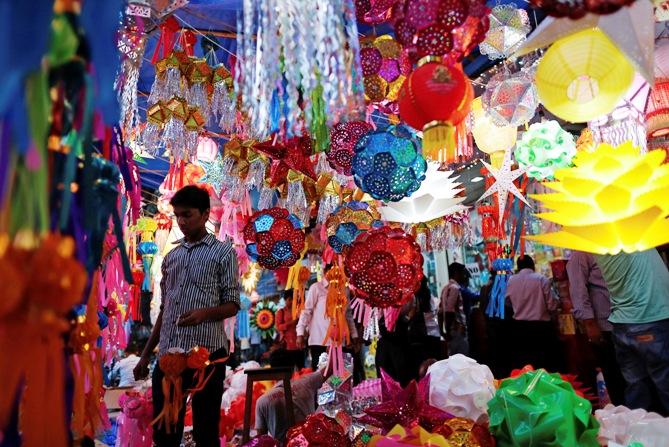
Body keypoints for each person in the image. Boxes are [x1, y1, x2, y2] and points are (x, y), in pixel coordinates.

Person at [133, 185, 240, 447]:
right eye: (178, 215)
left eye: (187, 215)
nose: (181, 221)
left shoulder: (223, 253)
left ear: (205, 214)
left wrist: (204, 314)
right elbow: (164, 311)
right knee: (166, 430)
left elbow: (233, 304)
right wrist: (146, 355)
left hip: (208, 356)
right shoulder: (171, 257)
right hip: (169, 356)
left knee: (205, 430)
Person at [594, 249, 669, 415]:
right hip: (647, 318)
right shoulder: (626, 239)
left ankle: (639, 434)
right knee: (665, 382)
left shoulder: (598, 246)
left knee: (637, 388)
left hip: (623, 323)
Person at [566, 250, 625, 405]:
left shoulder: (614, 244)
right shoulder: (580, 252)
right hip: (605, 325)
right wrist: (590, 323)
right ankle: (624, 416)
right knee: (616, 376)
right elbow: (578, 289)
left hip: (627, 320)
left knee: (632, 377)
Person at [255, 351, 332, 443]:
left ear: (272, 369)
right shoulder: (307, 382)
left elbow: (260, 439)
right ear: (293, 368)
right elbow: (330, 369)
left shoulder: (262, 400)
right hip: (310, 443)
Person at [296, 265, 359, 371]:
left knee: (338, 378)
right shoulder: (316, 288)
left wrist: (354, 335)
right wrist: (300, 333)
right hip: (319, 341)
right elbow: (307, 311)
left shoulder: (344, 290)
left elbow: (347, 314)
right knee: (321, 378)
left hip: (339, 341)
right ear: (325, 272)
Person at [505, 255, 562, 372]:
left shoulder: (511, 281)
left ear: (518, 267)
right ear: (533, 265)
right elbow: (552, 305)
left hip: (519, 329)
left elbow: (507, 302)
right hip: (541, 329)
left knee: (525, 366)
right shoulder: (541, 279)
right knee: (544, 365)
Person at [439, 263, 469, 356]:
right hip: (457, 331)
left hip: (452, 332)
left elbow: (440, 312)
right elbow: (449, 311)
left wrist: (442, 331)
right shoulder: (455, 288)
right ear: (456, 273)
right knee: (462, 362)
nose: (464, 276)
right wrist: (448, 332)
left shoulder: (445, 288)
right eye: (462, 273)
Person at [275, 290, 305, 371]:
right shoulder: (281, 312)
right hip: (287, 345)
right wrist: (291, 323)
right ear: (285, 300)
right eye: (289, 299)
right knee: (288, 370)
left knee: (301, 368)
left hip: (299, 345)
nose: (291, 302)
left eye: (293, 299)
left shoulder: (298, 311)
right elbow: (278, 327)